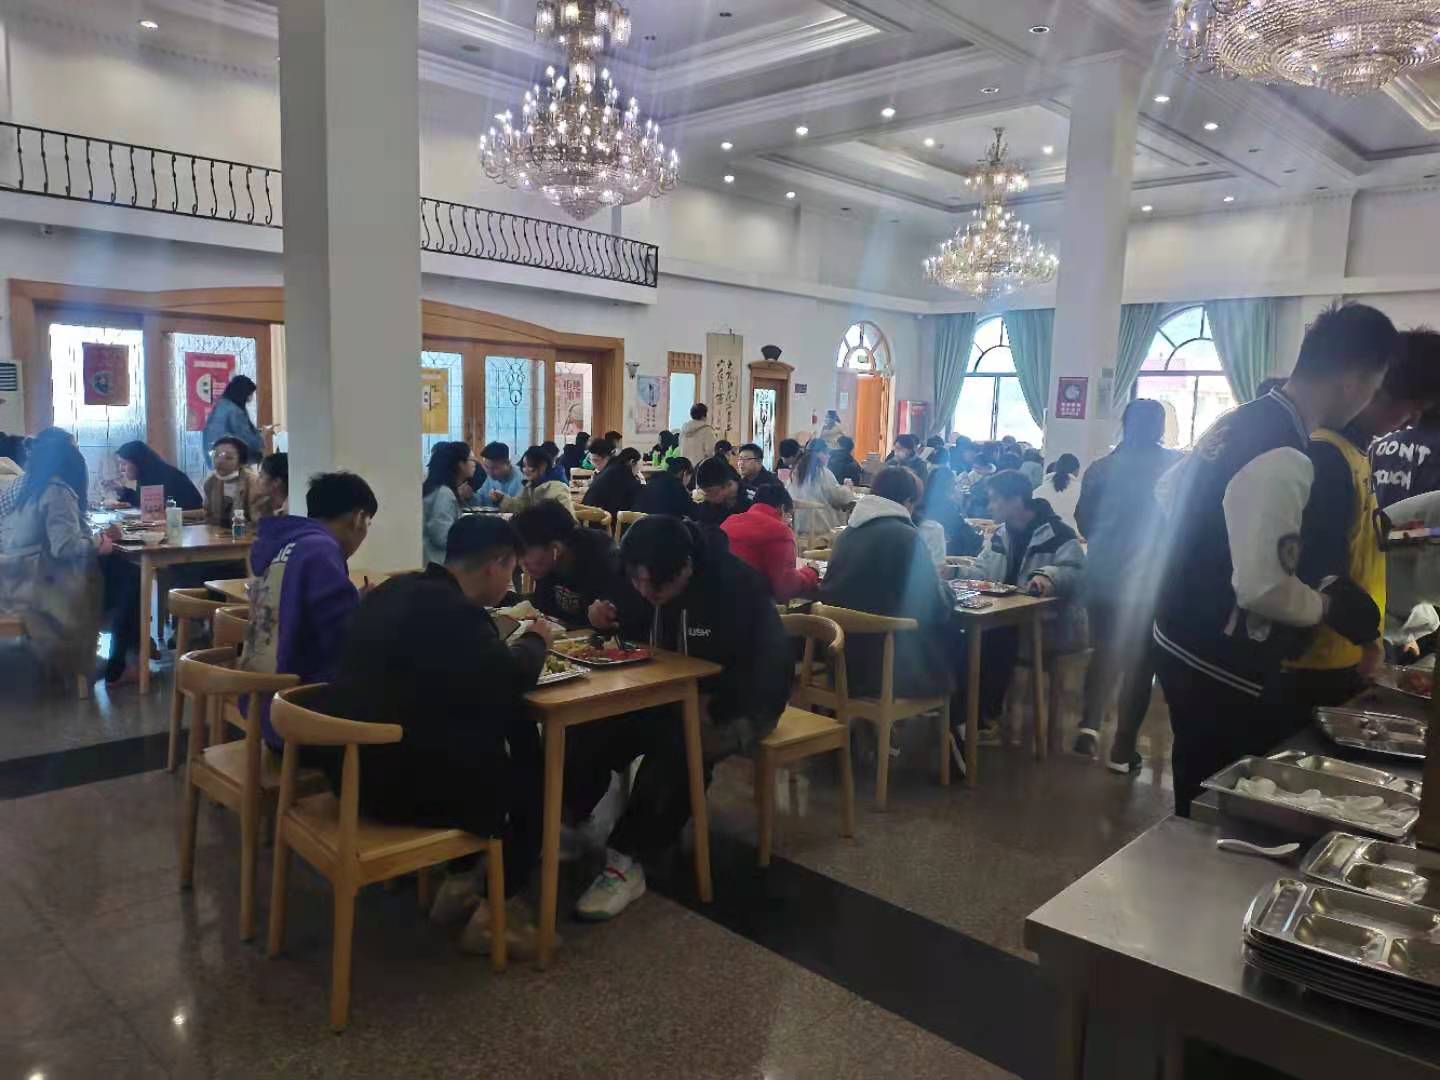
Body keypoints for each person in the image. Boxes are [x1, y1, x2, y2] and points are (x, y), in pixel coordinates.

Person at [1154, 301, 1398, 817]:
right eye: (1374, 389)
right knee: (1214, 803)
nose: (1368, 403)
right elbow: (1263, 588)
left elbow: (1168, 491)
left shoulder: (1241, 419)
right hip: (1218, 657)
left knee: (1195, 781)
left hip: (1177, 631)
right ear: (1353, 380)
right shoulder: (1284, 449)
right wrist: (1327, 607)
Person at [320, 515, 555, 956]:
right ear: (496, 565)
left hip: (348, 773)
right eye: (511, 570)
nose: (510, 582)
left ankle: (460, 885)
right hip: (394, 789)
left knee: (496, 738)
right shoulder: (456, 615)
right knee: (527, 763)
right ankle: (497, 914)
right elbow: (509, 677)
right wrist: (536, 640)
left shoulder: (394, 590)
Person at [569, 515, 790, 920]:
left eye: (655, 587)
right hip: (661, 694)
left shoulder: (738, 587)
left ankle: (628, 860)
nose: (644, 592)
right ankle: (569, 819)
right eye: (636, 582)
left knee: (683, 747)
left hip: (741, 705)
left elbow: (770, 668)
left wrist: (720, 703)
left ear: (686, 567)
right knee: (590, 728)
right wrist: (601, 615)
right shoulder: (643, 574)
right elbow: (627, 622)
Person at [1274, 327, 1440, 723]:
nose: (1410, 419)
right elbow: (1320, 565)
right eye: (1410, 407)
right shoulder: (1328, 455)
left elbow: (1376, 536)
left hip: (1351, 639)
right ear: (1375, 388)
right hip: (1318, 650)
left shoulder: (1361, 452)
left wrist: (1422, 535)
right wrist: (1370, 639)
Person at [1072, 399, 1183, 772]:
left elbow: (1084, 523)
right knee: (1141, 662)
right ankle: (1122, 749)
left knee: (1104, 649)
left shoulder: (1100, 468)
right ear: (1160, 428)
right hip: (1149, 581)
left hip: (1103, 574)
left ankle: (1089, 724)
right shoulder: (1176, 467)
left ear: (1124, 424)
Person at [244, 471, 377, 749]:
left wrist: (353, 599)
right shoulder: (321, 550)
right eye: (368, 523)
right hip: (297, 717)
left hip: (260, 704)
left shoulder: (289, 544)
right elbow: (342, 642)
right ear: (358, 518)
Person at [820, 467, 955, 708]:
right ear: (908, 501)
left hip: (841, 663)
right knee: (959, 644)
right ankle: (958, 727)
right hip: (889, 670)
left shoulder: (848, 534)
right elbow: (935, 606)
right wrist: (948, 590)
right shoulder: (907, 537)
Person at [970, 470, 1087, 731]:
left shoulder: (1059, 534)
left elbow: (1077, 573)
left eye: (994, 499)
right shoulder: (1001, 534)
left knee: (994, 640)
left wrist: (1047, 577)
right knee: (967, 637)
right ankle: (968, 714)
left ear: (1016, 500)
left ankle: (984, 717)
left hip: (1049, 625)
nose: (990, 506)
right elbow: (981, 569)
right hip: (1004, 616)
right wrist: (955, 574)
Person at [0, 434, 110, 684]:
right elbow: (65, 547)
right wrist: (98, 543)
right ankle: (92, 660)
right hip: (34, 586)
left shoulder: (27, 487)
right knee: (117, 578)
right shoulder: (57, 491)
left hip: (11, 576)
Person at [513, 500, 621, 629]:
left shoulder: (602, 559)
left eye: (524, 553)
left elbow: (617, 618)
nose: (521, 562)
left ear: (556, 549)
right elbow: (544, 607)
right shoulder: (547, 564)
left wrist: (602, 617)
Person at [720, 484, 819, 600]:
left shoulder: (729, 521)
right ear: (782, 509)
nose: (789, 522)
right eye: (789, 516)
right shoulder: (780, 531)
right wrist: (811, 572)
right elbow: (786, 588)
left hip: (719, 598)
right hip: (751, 604)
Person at [786, 439, 855, 540]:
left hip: (797, 528)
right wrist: (847, 488)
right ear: (818, 453)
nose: (829, 456)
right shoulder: (822, 473)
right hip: (820, 529)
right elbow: (839, 498)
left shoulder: (794, 472)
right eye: (826, 453)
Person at [422, 441, 475, 568]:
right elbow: (441, 536)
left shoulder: (439, 489)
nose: (475, 464)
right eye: (472, 460)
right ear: (460, 464)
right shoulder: (444, 493)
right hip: (436, 563)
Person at [110, 440, 203, 511]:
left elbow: (153, 510)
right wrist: (121, 490)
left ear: (138, 462)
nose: (121, 469)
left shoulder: (160, 476)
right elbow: (143, 502)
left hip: (189, 523)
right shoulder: (148, 473)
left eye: (124, 464)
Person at [493, 445, 576, 517]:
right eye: (524, 466)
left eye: (530, 466)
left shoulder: (558, 487)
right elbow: (519, 506)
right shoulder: (530, 485)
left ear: (543, 466)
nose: (525, 470)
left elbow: (567, 519)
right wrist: (502, 498)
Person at [917, 466, 982, 557]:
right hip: (948, 555)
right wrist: (960, 505)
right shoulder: (947, 508)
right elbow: (969, 538)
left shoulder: (920, 503)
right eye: (955, 484)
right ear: (948, 487)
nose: (957, 488)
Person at [203, 436, 268, 526]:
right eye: (216, 455)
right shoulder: (211, 482)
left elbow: (259, 521)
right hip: (218, 533)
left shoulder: (253, 483)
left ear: (241, 462)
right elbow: (208, 515)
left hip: (246, 533)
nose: (220, 461)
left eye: (228, 458)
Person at [202, 374, 265, 459]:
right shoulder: (235, 411)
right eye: (250, 394)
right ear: (242, 393)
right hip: (228, 459)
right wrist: (262, 437)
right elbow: (246, 439)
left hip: (213, 457)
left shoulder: (221, 405)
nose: (251, 398)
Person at [582, 439, 643, 517]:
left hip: (590, 516)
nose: (594, 465)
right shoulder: (620, 471)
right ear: (632, 462)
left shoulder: (612, 469)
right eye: (594, 460)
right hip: (602, 519)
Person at [693, 457, 743, 527]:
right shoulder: (709, 504)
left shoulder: (751, 502)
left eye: (709, 491)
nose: (706, 497)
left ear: (727, 485)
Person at [1037, 453, 1082, 529]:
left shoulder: (1039, 491)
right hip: (1074, 535)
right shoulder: (1082, 491)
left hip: (1046, 535)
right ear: (1076, 470)